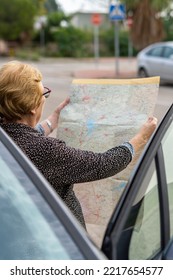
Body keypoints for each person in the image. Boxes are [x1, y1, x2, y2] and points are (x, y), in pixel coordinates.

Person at [0, 60, 158, 228]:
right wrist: (141, 138)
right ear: (32, 106)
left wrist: (54, 119)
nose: (45, 98)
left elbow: (21, 137)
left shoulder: (7, 137)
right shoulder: (46, 151)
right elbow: (103, 164)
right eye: (43, 94)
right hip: (57, 238)